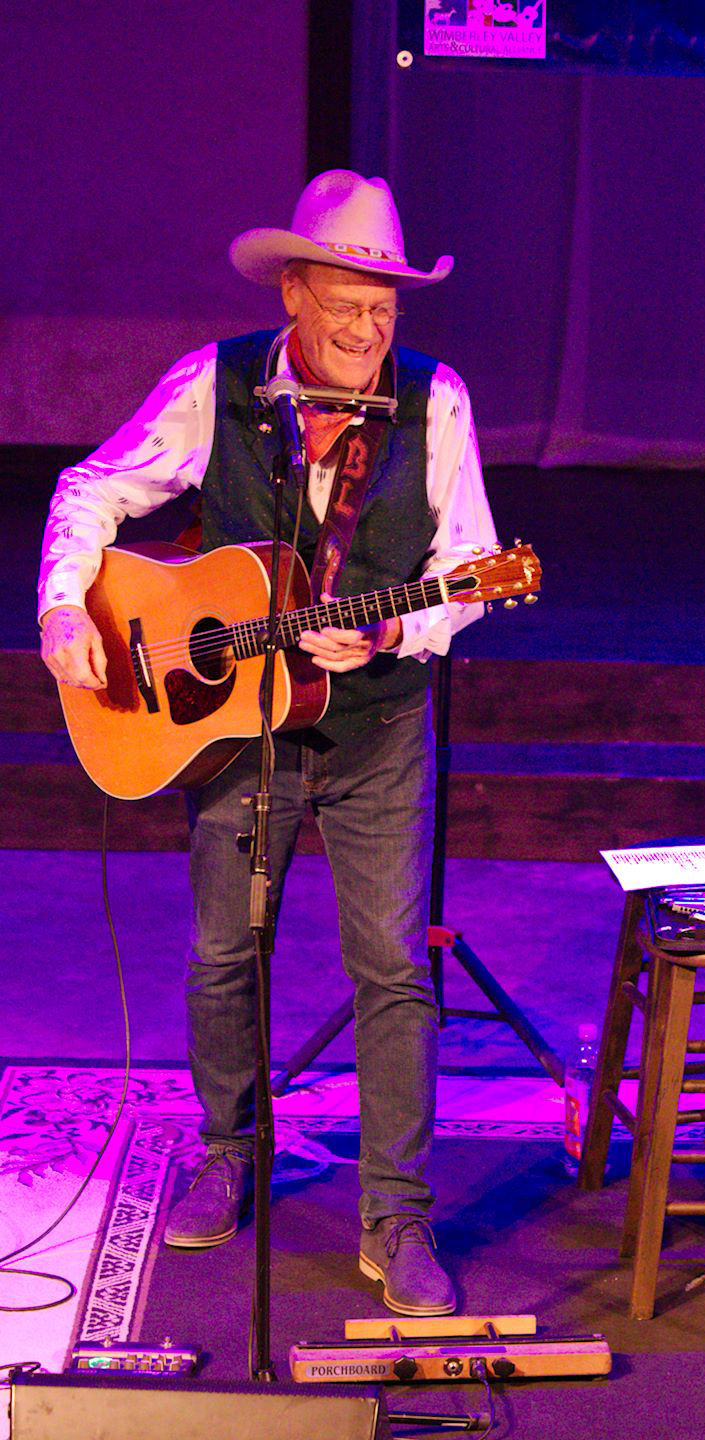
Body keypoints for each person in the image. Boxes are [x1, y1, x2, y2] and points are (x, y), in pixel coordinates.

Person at [39, 170, 499, 1317]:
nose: (364, 328)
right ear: (294, 291)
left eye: (385, 307)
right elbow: (90, 489)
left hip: (379, 728)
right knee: (220, 954)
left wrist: (400, 622)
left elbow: (476, 572)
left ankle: (396, 1215)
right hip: (236, 731)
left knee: (393, 969)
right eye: (344, 301)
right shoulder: (217, 383)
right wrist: (61, 607)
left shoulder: (436, 403)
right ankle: (228, 1152)